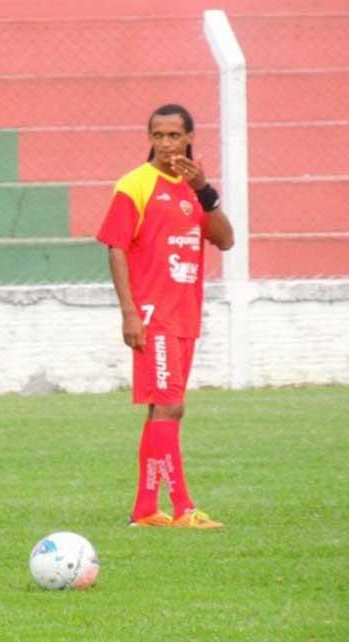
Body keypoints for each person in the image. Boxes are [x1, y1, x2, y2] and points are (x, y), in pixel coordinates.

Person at [97, 103, 235, 529]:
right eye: (158, 135)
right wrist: (129, 313)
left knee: (162, 409)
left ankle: (145, 509)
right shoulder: (135, 184)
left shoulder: (197, 190)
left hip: (186, 315)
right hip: (154, 314)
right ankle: (183, 508)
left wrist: (206, 191)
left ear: (190, 138)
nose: (166, 144)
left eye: (174, 136)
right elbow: (116, 247)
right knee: (171, 406)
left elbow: (225, 240)